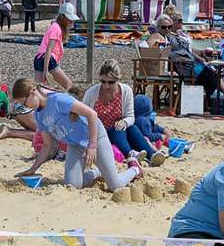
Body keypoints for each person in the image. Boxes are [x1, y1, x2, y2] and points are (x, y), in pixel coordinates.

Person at [12, 78, 142, 190]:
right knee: (72, 185)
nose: (26, 107)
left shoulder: (58, 100)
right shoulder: (39, 115)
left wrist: (92, 145)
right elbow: (47, 146)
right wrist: (33, 169)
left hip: (94, 136)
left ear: (33, 92)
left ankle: (135, 168)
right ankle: (97, 172)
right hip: (75, 145)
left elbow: (92, 114)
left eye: (25, 103)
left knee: (115, 186)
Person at [83, 58, 167, 166]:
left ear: (118, 79)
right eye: (103, 82)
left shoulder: (125, 91)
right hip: (99, 134)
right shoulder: (92, 93)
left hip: (120, 133)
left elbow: (130, 116)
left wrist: (125, 122)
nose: (106, 86)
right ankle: (130, 154)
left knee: (130, 127)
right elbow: (83, 117)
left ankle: (151, 156)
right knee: (119, 128)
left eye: (110, 82)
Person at [34, 3, 77, 91]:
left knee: (39, 89)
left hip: (38, 59)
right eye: (69, 19)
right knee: (69, 85)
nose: (71, 22)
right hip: (47, 60)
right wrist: (46, 71)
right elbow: (48, 50)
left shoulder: (55, 27)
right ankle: (67, 104)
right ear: (63, 17)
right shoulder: (56, 28)